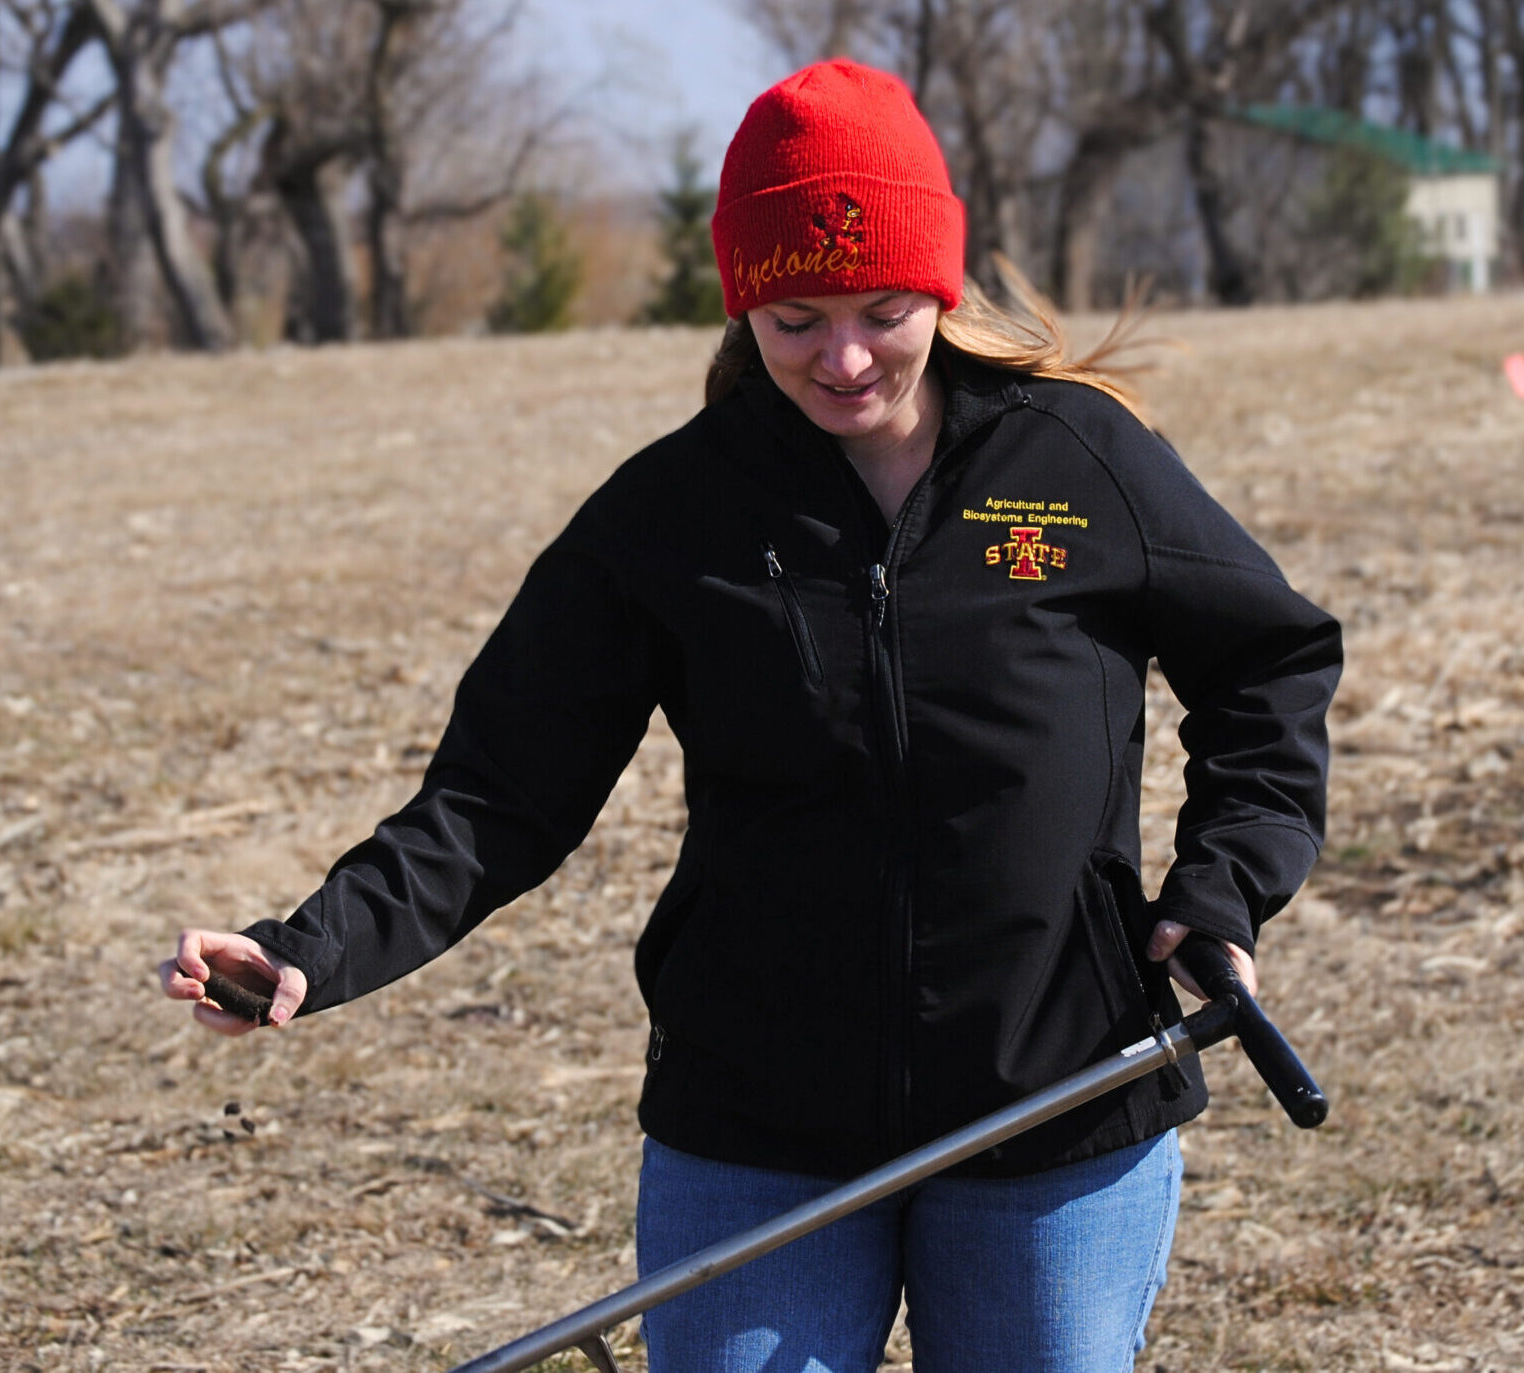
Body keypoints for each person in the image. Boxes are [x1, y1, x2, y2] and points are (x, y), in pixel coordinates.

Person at [158, 58, 1339, 1373]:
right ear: (741, 305)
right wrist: (314, 945)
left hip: (1058, 1097)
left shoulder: (1079, 463)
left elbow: (1270, 668)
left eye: (885, 311)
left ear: (941, 288)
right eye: (795, 319)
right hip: (760, 1122)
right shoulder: (672, 515)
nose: (844, 358)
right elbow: (500, 795)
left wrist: (1223, 886)